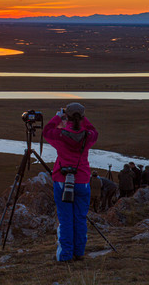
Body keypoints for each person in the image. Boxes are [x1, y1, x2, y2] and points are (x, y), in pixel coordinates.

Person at [43, 102, 98, 262]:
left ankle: (65, 255)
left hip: (62, 180)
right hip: (82, 181)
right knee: (80, 218)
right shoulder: (88, 136)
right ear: (81, 117)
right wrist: (82, 119)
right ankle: (79, 252)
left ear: (67, 116)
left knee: (65, 219)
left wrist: (58, 116)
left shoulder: (60, 135)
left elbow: (47, 131)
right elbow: (94, 131)